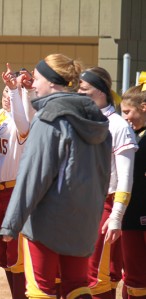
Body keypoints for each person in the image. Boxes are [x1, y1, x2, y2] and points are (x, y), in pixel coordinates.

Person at [0, 54, 112, 299]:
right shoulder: (97, 118)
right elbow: (104, 174)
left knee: (41, 289)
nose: (33, 83)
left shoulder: (49, 117)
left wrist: (11, 223)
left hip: (48, 220)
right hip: (84, 218)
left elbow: (33, 175)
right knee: (77, 285)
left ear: (51, 82)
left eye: (37, 78)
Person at [78, 67, 137, 299]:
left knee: (95, 278)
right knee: (100, 276)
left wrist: (116, 216)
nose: (80, 93)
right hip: (83, 204)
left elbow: (125, 177)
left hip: (105, 205)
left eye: (85, 88)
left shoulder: (118, 126)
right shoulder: (82, 120)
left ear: (101, 90)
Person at [0, 64, 35, 299]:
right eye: (5, 92)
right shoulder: (0, 116)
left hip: (16, 191)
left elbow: (23, 121)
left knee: (16, 256)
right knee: (4, 257)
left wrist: (20, 91)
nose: (7, 96)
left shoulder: (21, 118)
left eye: (10, 92)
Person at [119, 76, 146, 299]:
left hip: (140, 215)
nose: (125, 118)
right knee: (133, 277)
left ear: (143, 108)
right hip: (130, 215)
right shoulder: (130, 134)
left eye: (128, 112)